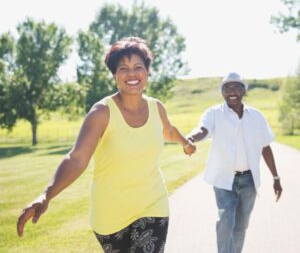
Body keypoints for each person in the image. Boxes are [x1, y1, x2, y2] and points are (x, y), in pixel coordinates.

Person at [17, 37, 196, 253]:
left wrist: (186, 143)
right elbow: (77, 158)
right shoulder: (102, 113)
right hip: (110, 214)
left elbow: (168, 130)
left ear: (147, 72)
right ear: (114, 75)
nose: (132, 74)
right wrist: (47, 194)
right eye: (123, 68)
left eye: (138, 67)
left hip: (152, 203)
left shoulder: (156, 108)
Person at [187, 72, 282, 253]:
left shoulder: (257, 116)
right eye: (227, 88)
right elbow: (203, 129)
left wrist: (276, 177)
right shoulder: (214, 113)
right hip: (223, 180)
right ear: (222, 92)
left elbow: (266, 147)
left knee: (240, 226)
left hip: (249, 181)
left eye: (237, 87)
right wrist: (191, 138)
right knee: (225, 220)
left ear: (243, 91)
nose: (232, 91)